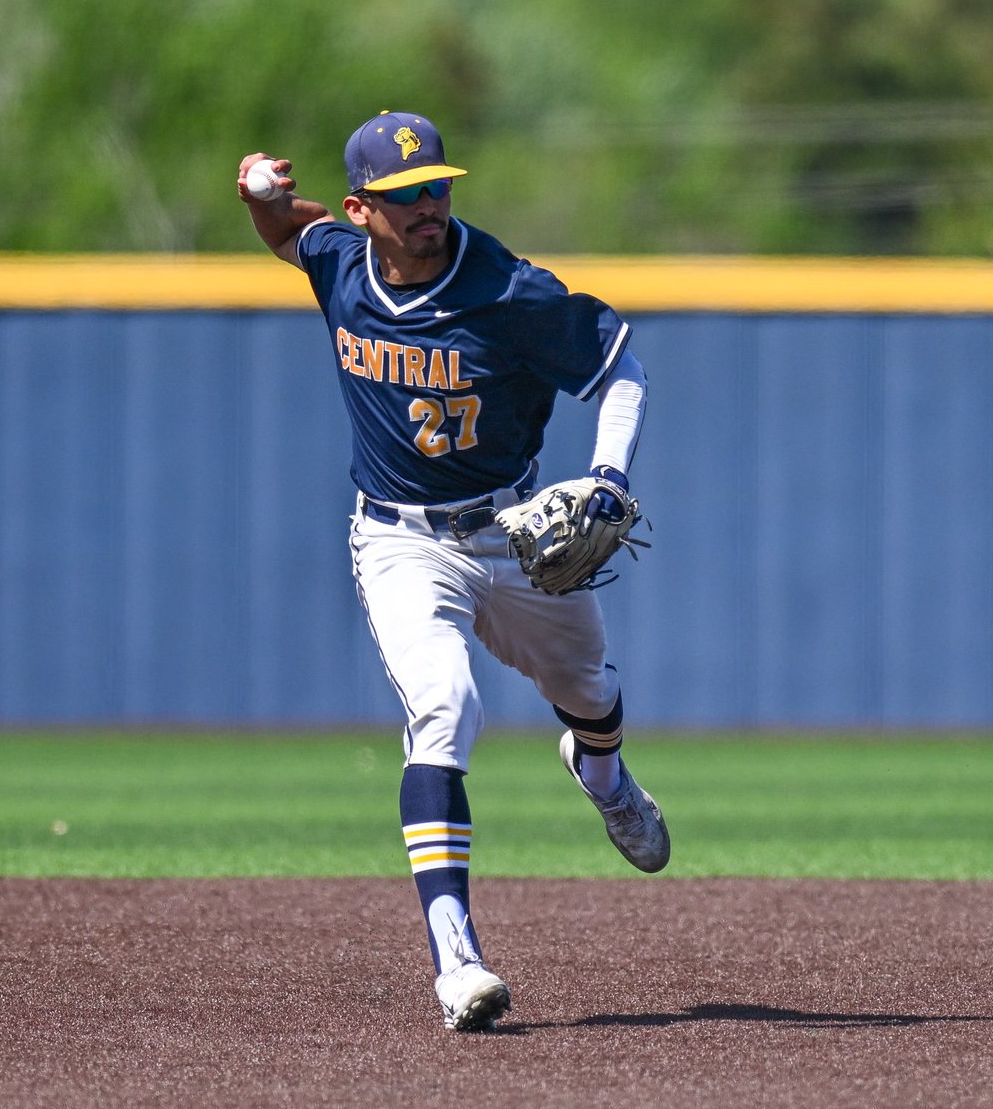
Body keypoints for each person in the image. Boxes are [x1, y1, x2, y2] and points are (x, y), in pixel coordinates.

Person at [237, 111, 669, 1033]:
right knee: (446, 707)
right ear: (362, 210)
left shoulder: (507, 288)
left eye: (437, 186)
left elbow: (620, 368)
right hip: (399, 540)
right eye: (404, 197)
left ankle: (603, 778)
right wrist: (259, 195)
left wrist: (606, 475)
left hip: (512, 532)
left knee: (589, 693)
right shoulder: (340, 264)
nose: (429, 206)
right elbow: (289, 232)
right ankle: (456, 956)